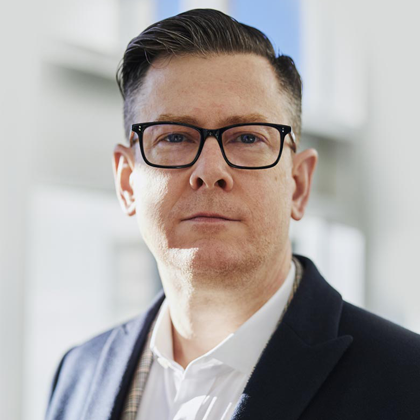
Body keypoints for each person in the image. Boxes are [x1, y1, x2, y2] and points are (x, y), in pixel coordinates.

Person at [45, 9, 420, 420]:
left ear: (298, 184)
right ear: (127, 183)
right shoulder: (78, 373)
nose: (210, 171)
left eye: (247, 137)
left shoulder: (406, 380)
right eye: (174, 136)